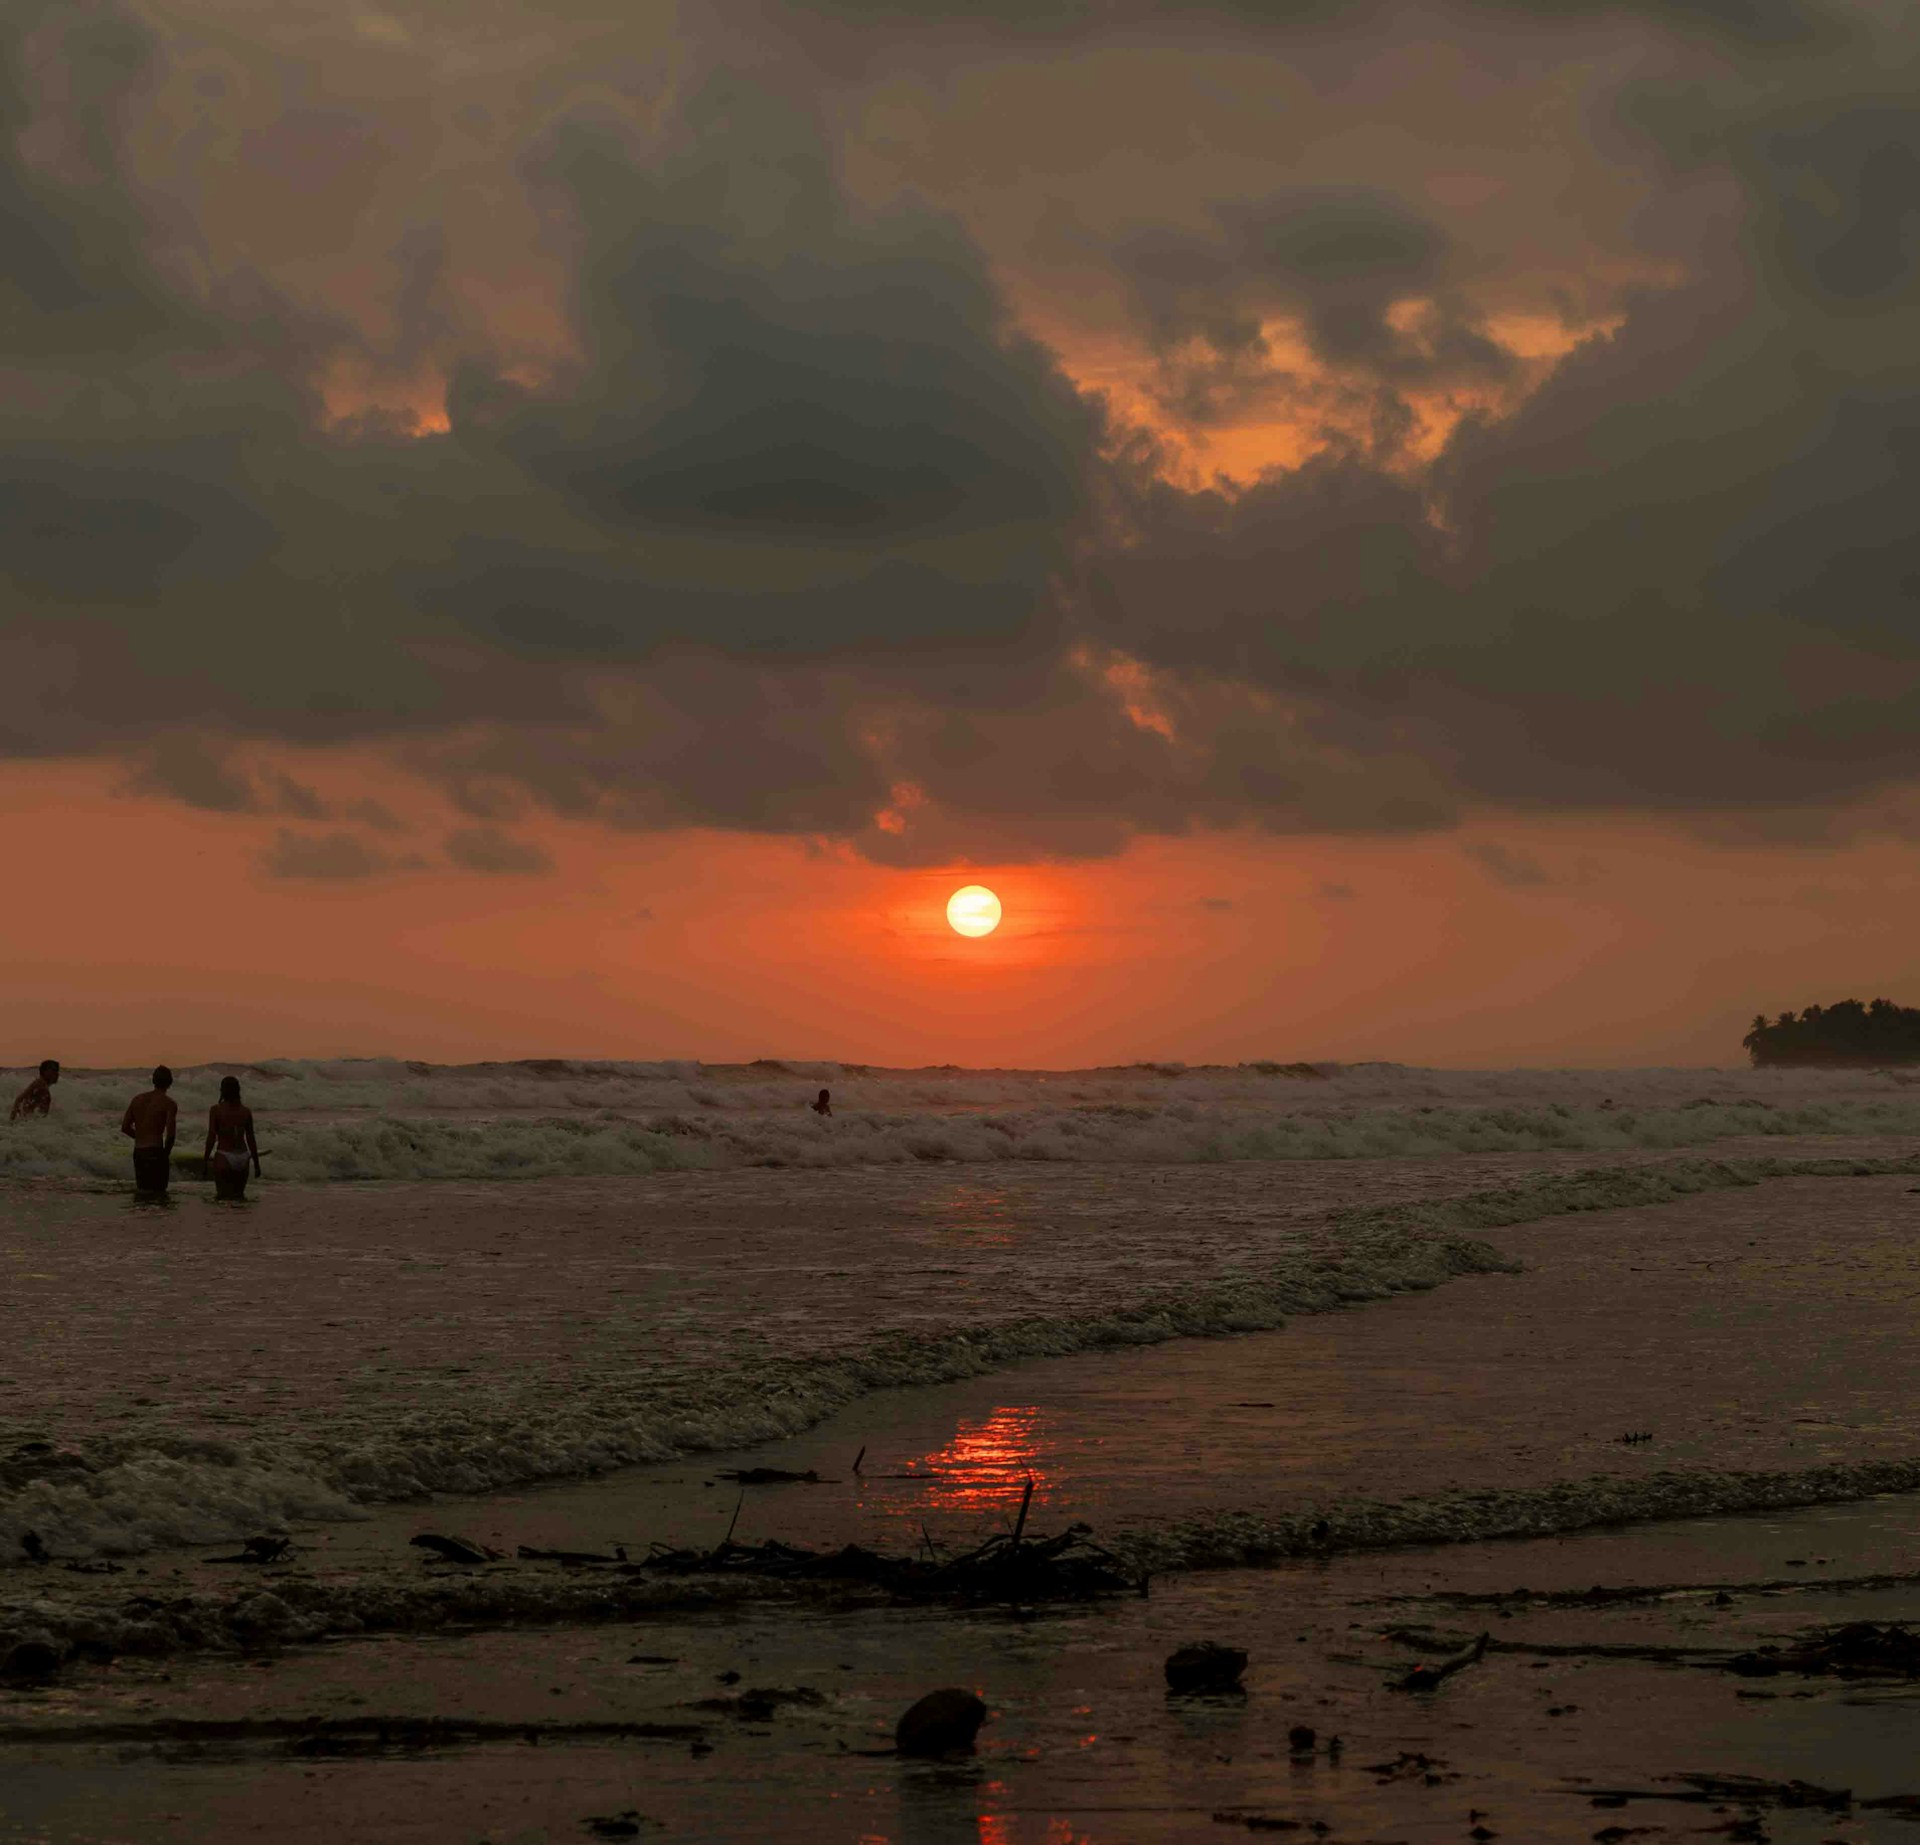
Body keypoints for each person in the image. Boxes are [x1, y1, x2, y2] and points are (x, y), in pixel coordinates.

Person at [121, 1066, 178, 1195]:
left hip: (139, 1152)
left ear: (153, 1080)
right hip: (156, 1151)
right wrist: (165, 1155)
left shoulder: (137, 1099)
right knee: (159, 1194)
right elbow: (170, 1135)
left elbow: (125, 1127)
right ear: (170, 1082)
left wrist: (141, 1136)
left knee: (142, 1193)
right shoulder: (169, 1103)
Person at [205, 1075, 260, 1201]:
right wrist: (257, 1164)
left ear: (222, 1091)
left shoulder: (216, 1110)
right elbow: (251, 1139)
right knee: (239, 1198)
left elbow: (211, 1136)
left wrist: (205, 1160)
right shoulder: (246, 1111)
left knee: (222, 1198)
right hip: (243, 1157)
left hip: (224, 1155)